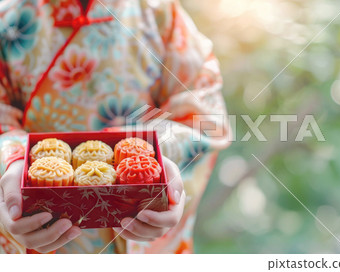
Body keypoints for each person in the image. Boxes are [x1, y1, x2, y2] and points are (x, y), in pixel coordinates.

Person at [0, 0, 230, 253]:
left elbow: (205, 116)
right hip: (40, 226)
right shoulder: (8, 21)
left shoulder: (161, 14)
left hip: (136, 225)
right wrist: (13, 162)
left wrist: (154, 159)